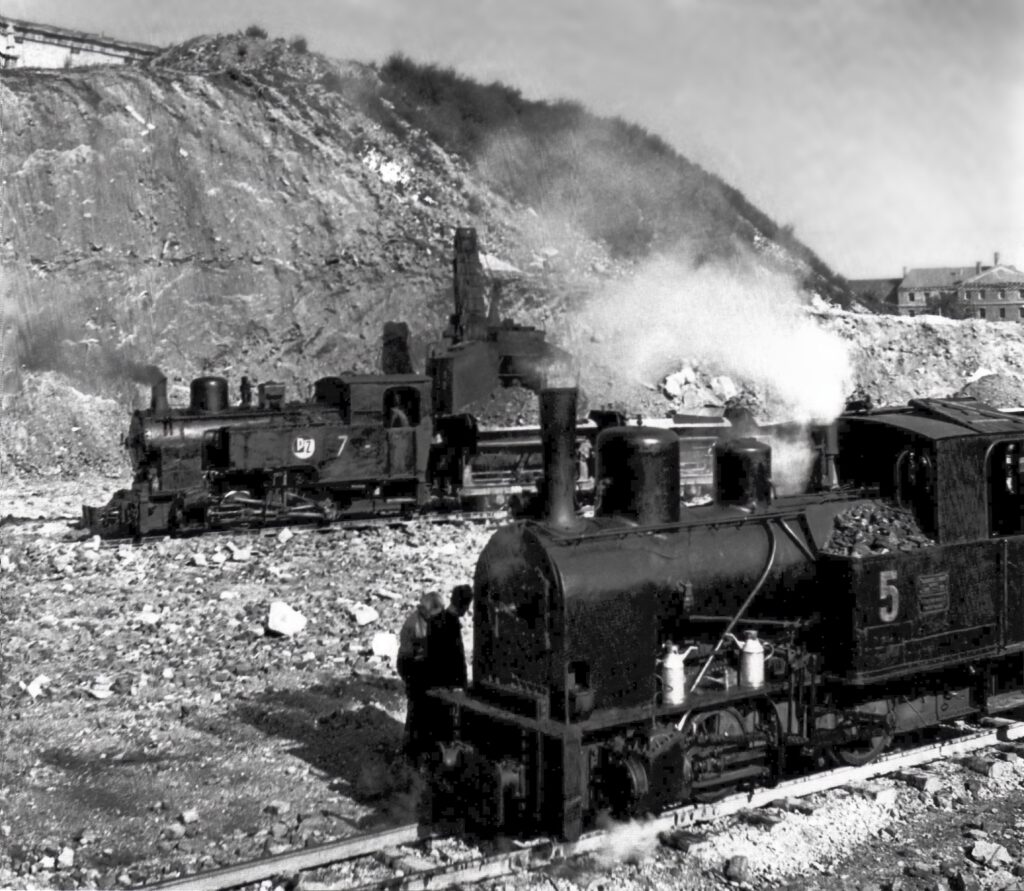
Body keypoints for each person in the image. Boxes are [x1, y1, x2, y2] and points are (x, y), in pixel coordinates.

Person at [397, 591, 444, 761]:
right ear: (425, 610)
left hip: (428, 666)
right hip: (411, 666)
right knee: (417, 707)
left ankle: (430, 745)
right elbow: (408, 658)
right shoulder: (413, 625)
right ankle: (409, 751)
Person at [427, 585, 473, 690]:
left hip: (433, 683)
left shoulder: (435, 620)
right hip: (447, 686)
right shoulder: (453, 625)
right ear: (465, 605)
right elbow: (457, 660)